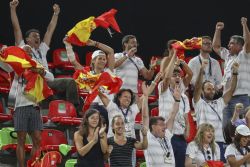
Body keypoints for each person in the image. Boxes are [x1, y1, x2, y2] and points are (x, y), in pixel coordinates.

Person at [9, 0, 80, 112]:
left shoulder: (42, 49)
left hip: (47, 79)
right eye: (34, 36)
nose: (38, 37)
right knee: (44, 93)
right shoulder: (23, 47)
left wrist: (56, 14)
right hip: (32, 81)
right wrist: (13, 9)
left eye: (38, 36)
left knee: (70, 82)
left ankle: (74, 109)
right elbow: (16, 28)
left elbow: (50, 30)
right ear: (27, 39)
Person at [0, 46, 54, 167]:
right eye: (25, 49)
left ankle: (33, 164)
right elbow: (4, 65)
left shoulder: (37, 65)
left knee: (38, 140)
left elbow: (51, 77)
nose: (28, 50)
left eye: (30, 49)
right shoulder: (16, 67)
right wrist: (2, 54)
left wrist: (41, 71)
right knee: (21, 140)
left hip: (35, 107)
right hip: (20, 107)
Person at [193, 59, 239, 162]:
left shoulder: (219, 102)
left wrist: (235, 73)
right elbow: (197, 88)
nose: (211, 91)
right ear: (203, 91)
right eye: (208, 89)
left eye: (213, 89)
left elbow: (231, 90)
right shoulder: (199, 103)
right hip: (203, 142)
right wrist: (201, 71)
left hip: (218, 141)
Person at [64, 38, 114, 122]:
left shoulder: (109, 73)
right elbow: (73, 61)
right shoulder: (87, 74)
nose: (102, 61)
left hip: (109, 107)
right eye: (100, 58)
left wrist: (95, 43)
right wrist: (67, 45)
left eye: (104, 59)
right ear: (93, 61)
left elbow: (111, 51)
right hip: (94, 108)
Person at [212, 17, 250, 125]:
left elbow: (248, 42)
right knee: (227, 128)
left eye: (231, 43)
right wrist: (218, 30)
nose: (228, 45)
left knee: (242, 128)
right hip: (226, 97)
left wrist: (244, 25)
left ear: (239, 46)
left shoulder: (245, 55)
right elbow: (215, 46)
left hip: (241, 96)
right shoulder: (228, 56)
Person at [159, 49, 190, 167]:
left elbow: (186, 117)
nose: (177, 77)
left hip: (180, 137)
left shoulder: (184, 97)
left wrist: (187, 131)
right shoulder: (163, 89)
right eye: (174, 75)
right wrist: (175, 56)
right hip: (167, 135)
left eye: (179, 75)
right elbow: (166, 77)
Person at [143, 80, 181, 167]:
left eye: (164, 124)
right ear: (153, 127)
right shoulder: (148, 137)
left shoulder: (166, 135)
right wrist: (145, 97)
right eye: (161, 125)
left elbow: (172, 115)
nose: (165, 127)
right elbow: (145, 117)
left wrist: (177, 100)